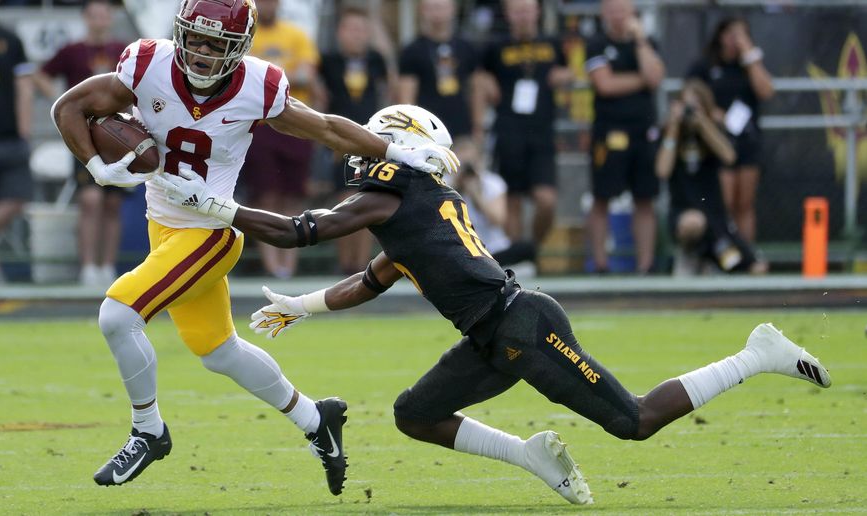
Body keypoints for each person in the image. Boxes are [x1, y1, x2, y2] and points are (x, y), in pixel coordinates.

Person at [154, 104, 832, 505]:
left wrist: (214, 206)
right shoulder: (414, 205)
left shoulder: (393, 191)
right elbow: (371, 279)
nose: (361, 153)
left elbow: (299, 231)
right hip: (493, 333)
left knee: (633, 422)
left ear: (399, 144)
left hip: (523, 326)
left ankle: (757, 354)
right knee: (413, 415)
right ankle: (533, 458)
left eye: (373, 141)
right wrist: (302, 307)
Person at [50, 0, 457, 493]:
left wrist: (397, 151)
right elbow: (68, 106)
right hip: (164, 226)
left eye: (214, 42)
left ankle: (148, 431)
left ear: (239, 47)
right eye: (194, 38)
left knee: (117, 316)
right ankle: (316, 418)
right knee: (219, 351)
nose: (200, 52)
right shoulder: (146, 63)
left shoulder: (255, 86)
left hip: (212, 232)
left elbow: (327, 126)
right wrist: (97, 166)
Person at [34, 0, 127, 286]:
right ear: (85, 18)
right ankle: (88, 267)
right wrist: (60, 102)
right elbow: (40, 75)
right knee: (90, 200)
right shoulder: (72, 51)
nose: (99, 20)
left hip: (118, 136)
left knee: (112, 203)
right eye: (94, 15)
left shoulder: (122, 51)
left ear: (110, 18)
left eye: (104, 14)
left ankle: (107, 266)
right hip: (84, 136)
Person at [479, 0, 572, 246]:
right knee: (513, 199)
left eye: (527, 10)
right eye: (517, 10)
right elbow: (479, 74)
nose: (523, 16)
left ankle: (533, 250)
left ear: (537, 12)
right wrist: (486, 81)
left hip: (542, 131)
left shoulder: (551, 44)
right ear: (508, 14)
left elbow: (568, 71)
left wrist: (564, 76)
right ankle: (516, 261)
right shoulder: (495, 46)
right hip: (509, 130)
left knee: (546, 200)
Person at [239, 0, 321, 278]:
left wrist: (266, 79)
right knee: (266, 194)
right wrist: (285, 75)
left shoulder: (296, 34)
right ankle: (273, 267)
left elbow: (306, 76)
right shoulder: (244, 36)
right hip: (259, 126)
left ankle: (289, 265)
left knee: (293, 195)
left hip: (295, 123)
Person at [655, 79, 767, 276]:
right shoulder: (671, 134)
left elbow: (729, 156)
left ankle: (710, 261)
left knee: (756, 267)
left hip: (715, 219)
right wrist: (674, 126)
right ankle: (690, 256)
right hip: (684, 214)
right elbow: (662, 171)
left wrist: (703, 123)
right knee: (694, 222)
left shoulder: (711, 133)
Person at [585, 0, 665, 274]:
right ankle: (600, 263)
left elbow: (654, 78)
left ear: (633, 13)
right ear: (604, 13)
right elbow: (605, 85)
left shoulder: (647, 42)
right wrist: (640, 79)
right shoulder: (596, 43)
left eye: (624, 9)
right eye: (613, 9)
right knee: (601, 196)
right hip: (609, 132)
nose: (619, 16)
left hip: (643, 132)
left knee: (645, 198)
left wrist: (640, 40)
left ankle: (646, 264)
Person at [687, 17, 774, 244]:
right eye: (731, 34)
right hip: (717, 141)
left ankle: (747, 255)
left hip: (747, 141)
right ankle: (725, 256)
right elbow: (690, 95)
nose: (735, 40)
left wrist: (750, 54)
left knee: (744, 204)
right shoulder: (705, 65)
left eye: (741, 34)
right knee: (723, 203)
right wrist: (713, 113)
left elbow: (766, 91)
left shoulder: (749, 65)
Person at [318, 5, 389, 274]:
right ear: (340, 33)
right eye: (352, 29)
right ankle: (346, 264)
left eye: (362, 30)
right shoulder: (329, 61)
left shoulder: (375, 60)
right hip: (341, 142)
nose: (357, 35)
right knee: (346, 200)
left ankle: (361, 266)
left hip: (370, 140)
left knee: (367, 199)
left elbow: (388, 87)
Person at [0, 0, 33, 285]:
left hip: (8, 139)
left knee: (17, 198)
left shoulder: (10, 40)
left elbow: (24, 89)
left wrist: (24, 132)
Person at [397, 0, 482, 145]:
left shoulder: (466, 47)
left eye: (441, 7)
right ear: (422, 11)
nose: (437, 13)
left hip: (462, 129)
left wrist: (478, 125)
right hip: (426, 132)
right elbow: (406, 97)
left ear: (453, 9)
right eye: (431, 8)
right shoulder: (412, 50)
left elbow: (477, 89)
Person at [446, 139, 535, 269]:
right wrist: (456, 187)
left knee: (527, 249)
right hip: (461, 250)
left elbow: (497, 220)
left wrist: (476, 194)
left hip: (493, 250)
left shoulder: (493, 182)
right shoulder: (444, 183)